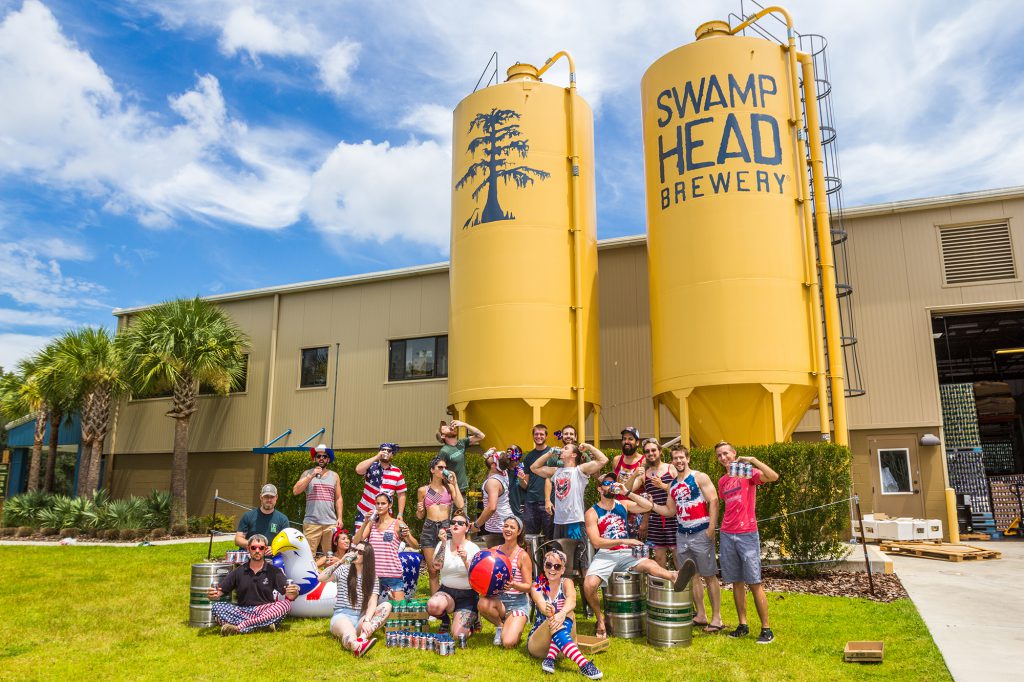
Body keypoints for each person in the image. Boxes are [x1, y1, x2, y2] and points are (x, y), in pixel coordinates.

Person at [582, 473, 694, 638]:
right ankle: (600, 619)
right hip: (606, 554)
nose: (611, 485)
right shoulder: (592, 512)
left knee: (650, 564)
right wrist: (626, 540)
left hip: (627, 553)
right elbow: (596, 542)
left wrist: (626, 491)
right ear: (600, 489)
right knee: (589, 585)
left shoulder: (624, 504)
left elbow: (648, 506)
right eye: (607, 483)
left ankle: (673, 576)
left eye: (613, 483)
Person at [648, 444, 724, 633]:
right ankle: (701, 615)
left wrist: (712, 527)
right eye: (675, 458)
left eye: (682, 457)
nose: (679, 461)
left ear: (688, 459)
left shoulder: (699, 477)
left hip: (701, 531)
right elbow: (670, 511)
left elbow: (713, 500)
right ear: (672, 461)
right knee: (692, 576)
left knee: (709, 575)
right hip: (682, 534)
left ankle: (717, 619)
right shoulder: (672, 485)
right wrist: (652, 506)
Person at [715, 440, 779, 644]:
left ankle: (766, 629)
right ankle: (742, 625)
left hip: (747, 533)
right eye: (719, 455)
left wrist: (753, 460)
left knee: (754, 581)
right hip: (727, 533)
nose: (723, 457)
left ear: (734, 453)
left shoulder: (747, 473)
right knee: (736, 581)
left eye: (726, 453)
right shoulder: (723, 481)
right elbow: (727, 505)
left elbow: (773, 476)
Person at [527, 549, 603, 680]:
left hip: (563, 647)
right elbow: (540, 603)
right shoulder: (537, 584)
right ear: (544, 567)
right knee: (553, 617)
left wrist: (561, 613)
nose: (552, 569)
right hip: (538, 644)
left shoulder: (566, 582)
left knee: (568, 612)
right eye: (548, 565)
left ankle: (550, 658)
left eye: (557, 566)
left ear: (563, 570)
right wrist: (550, 612)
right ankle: (583, 663)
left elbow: (572, 600)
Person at [208, 534, 299, 635]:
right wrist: (213, 594)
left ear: (265, 550)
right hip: (243, 611)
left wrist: (294, 592)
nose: (257, 550)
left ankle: (239, 628)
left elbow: (290, 595)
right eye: (253, 547)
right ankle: (262, 626)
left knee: (285, 604)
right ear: (248, 549)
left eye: (261, 548)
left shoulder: (274, 571)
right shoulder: (238, 571)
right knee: (216, 607)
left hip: (265, 610)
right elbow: (219, 592)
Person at [318, 540, 392, 657]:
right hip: (342, 615)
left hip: (360, 617)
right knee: (349, 632)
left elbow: (372, 602)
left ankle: (362, 638)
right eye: (355, 550)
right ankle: (356, 646)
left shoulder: (373, 576)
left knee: (386, 606)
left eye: (360, 551)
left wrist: (367, 621)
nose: (356, 553)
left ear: (367, 556)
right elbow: (321, 578)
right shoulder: (344, 569)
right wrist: (341, 561)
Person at [530, 441, 608, 542]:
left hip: (575, 522)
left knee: (577, 556)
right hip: (558, 522)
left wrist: (588, 447)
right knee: (558, 556)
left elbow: (603, 460)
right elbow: (534, 468)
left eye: (565, 448)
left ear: (573, 454)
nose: (562, 450)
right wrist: (550, 453)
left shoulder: (579, 470)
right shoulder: (556, 471)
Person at [478, 516, 533, 648]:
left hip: (518, 603)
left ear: (518, 532)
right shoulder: (494, 551)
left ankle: (513, 627)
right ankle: (500, 626)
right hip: (499, 601)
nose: (508, 529)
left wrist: (514, 584)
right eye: (506, 526)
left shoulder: (522, 555)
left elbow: (528, 586)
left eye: (512, 527)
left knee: (508, 643)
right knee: (482, 603)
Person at [426, 513, 481, 641]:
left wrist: (466, 560)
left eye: (460, 523)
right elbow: (436, 566)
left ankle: (473, 618)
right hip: (447, 592)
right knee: (432, 605)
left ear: (467, 528)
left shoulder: (473, 548)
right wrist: (444, 543)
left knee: (458, 635)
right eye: (453, 522)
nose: (456, 524)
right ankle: (445, 620)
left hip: (467, 595)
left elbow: (477, 577)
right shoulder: (442, 544)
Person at [353, 492, 418, 600]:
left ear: (390, 505)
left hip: (392, 574)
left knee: (398, 610)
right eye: (377, 503)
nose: (379, 506)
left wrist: (407, 536)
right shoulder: (372, 524)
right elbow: (356, 541)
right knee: (369, 608)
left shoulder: (397, 524)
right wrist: (365, 522)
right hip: (373, 574)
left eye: (383, 503)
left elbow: (415, 546)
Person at [417, 456, 464, 594]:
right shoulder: (423, 490)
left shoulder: (449, 488)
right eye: (440, 468)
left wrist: (455, 484)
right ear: (432, 470)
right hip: (429, 527)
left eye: (445, 468)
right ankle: (435, 600)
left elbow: (460, 505)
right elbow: (420, 516)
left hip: (445, 527)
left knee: (448, 565)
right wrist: (419, 510)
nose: (444, 470)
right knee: (432, 569)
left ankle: (450, 596)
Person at [292, 444, 344, 555]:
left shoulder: (335, 476)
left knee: (330, 556)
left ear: (328, 459)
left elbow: (338, 498)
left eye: (324, 456)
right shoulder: (307, 473)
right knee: (308, 555)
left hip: (330, 523)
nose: (321, 458)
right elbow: (295, 491)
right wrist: (311, 476)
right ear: (314, 459)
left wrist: (340, 518)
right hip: (311, 522)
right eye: (318, 456)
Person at [636, 438, 677, 567]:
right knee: (659, 559)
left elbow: (682, 489)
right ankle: (663, 586)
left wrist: (663, 486)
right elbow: (628, 489)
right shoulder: (644, 475)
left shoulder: (671, 468)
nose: (651, 453)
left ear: (660, 451)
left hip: (674, 518)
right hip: (655, 520)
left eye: (653, 450)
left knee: (678, 557)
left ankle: (684, 587)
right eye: (647, 451)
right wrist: (634, 474)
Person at [353, 443, 408, 532]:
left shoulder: (397, 471)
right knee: (359, 542)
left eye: (389, 451)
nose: (385, 452)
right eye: (383, 450)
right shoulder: (371, 466)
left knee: (379, 542)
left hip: (384, 516)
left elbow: (401, 494)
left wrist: (400, 513)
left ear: (392, 454)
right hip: (365, 512)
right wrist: (376, 457)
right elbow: (358, 470)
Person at [471, 448, 515, 545]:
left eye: (492, 456)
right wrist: (488, 456)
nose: (490, 455)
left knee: (498, 559)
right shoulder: (503, 473)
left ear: (494, 465)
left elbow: (491, 507)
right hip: (504, 524)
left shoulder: (493, 482)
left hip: (499, 528)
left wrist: (476, 525)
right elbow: (491, 463)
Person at [437, 419, 486, 498]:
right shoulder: (444, 451)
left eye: (449, 426)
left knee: (462, 510)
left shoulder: (462, 443)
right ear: (443, 436)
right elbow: (437, 470)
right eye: (445, 428)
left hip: (462, 490)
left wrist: (464, 424)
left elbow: (481, 436)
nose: (450, 427)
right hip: (450, 491)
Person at [522, 424, 555, 538]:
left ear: (546, 436)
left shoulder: (553, 454)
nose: (539, 436)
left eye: (541, 434)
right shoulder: (528, 457)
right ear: (533, 436)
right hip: (531, 501)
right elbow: (525, 484)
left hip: (549, 502)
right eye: (536, 434)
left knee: (549, 537)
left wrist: (549, 500)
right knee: (530, 538)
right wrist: (521, 480)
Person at [506, 445, 527, 518]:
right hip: (504, 510)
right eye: (508, 451)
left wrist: (521, 479)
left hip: (519, 511)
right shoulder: (503, 470)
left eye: (511, 450)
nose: (508, 453)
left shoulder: (523, 469)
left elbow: (526, 487)